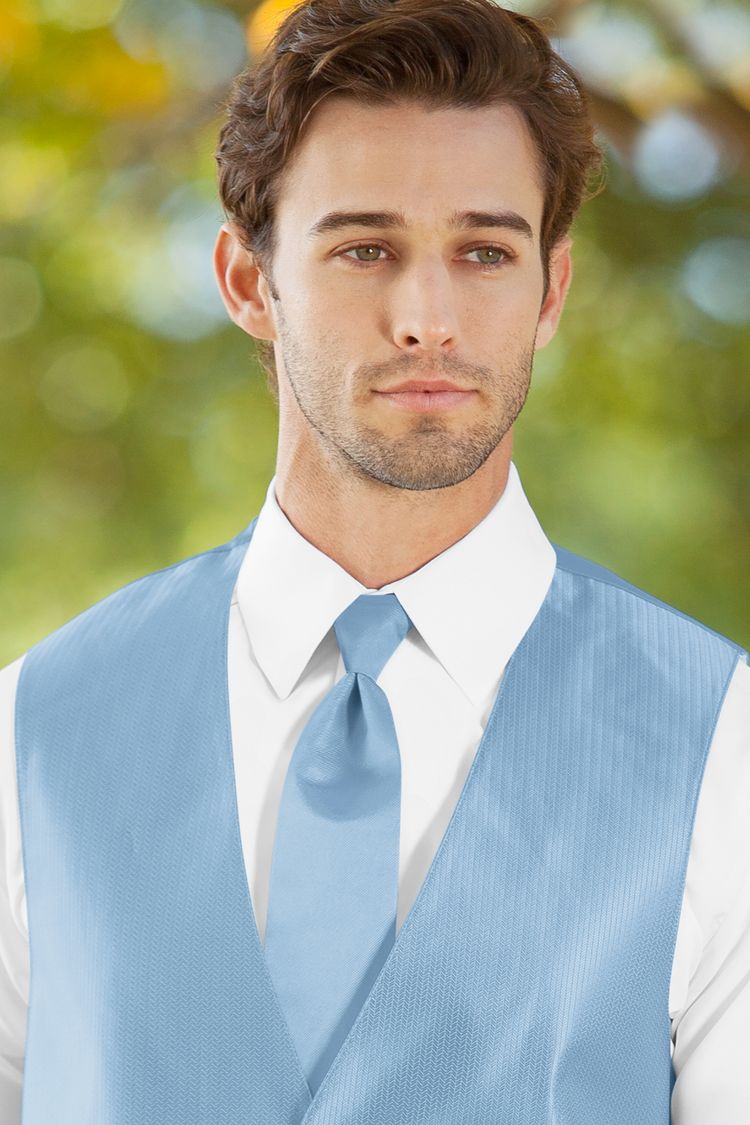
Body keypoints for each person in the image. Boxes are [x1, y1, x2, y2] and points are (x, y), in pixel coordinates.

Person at [0, 0, 747, 1121]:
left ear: (550, 292)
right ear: (250, 283)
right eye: (366, 248)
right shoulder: (31, 736)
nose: (426, 316)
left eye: (485, 251)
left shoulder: (726, 749)